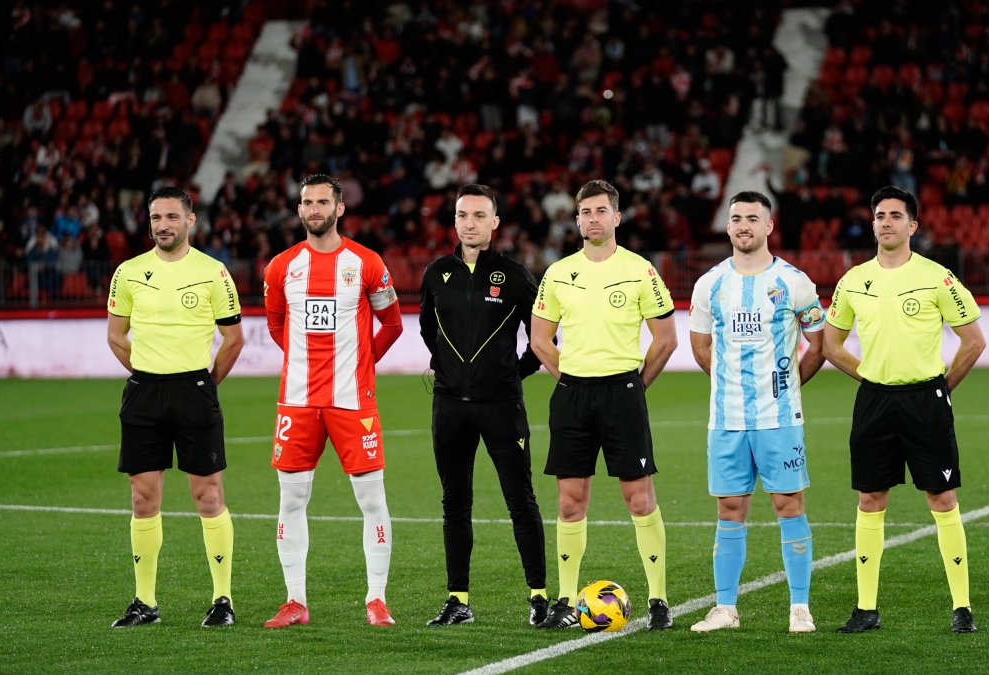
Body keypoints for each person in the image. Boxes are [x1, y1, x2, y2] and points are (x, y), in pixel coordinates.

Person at [823, 185, 986, 634]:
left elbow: (973, 342)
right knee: (870, 499)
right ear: (872, 223)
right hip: (874, 401)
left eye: (896, 215)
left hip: (926, 398)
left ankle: (962, 608)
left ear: (913, 225)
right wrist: (870, 376)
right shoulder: (853, 280)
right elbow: (831, 345)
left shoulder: (939, 277)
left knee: (942, 497)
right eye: (880, 215)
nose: (887, 222)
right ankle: (866, 609)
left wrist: (942, 389)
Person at [529, 179, 679, 630]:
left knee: (639, 498)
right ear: (576, 220)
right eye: (585, 212)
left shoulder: (641, 271)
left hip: (623, 394)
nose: (593, 218)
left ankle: (658, 600)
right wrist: (570, 378)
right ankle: (565, 600)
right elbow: (539, 339)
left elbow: (666, 339)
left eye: (601, 211)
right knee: (570, 503)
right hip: (573, 395)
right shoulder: (558, 273)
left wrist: (636, 386)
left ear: (617, 217)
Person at [261, 174, 404, 628]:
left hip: (352, 403)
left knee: (372, 502)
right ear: (299, 209)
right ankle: (295, 602)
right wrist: (308, 365)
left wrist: (362, 366)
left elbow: (393, 324)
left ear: (340, 208)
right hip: (298, 403)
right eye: (307, 202)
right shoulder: (280, 267)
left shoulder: (366, 263)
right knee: (291, 502)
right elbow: (277, 328)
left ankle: (376, 600)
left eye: (323, 202)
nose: (314, 209)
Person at [105, 186, 245, 628]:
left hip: (194, 391)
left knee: (208, 495)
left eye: (170, 217)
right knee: (142, 498)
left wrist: (204, 385)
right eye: (155, 218)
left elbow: (233, 338)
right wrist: (146, 373)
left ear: (190, 221)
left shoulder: (214, 272)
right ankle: (144, 602)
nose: (162, 225)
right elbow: (115, 335)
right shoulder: (128, 272)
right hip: (144, 394)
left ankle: (222, 599)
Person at [688, 191, 826, 634]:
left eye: (752, 218)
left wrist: (787, 385)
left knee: (789, 504)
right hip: (726, 419)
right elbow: (700, 346)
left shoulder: (793, 281)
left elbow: (817, 342)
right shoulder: (709, 284)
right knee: (729, 508)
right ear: (727, 227)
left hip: (779, 418)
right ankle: (725, 609)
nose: (743, 225)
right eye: (736, 219)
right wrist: (732, 384)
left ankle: (799, 607)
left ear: (769, 226)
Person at [418, 183, 548, 626]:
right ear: (454, 221)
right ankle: (458, 600)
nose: (468, 223)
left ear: (494, 223)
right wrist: (447, 369)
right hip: (450, 407)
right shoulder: (437, 274)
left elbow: (543, 338)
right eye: (461, 215)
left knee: (521, 500)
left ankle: (539, 597)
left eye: (478, 216)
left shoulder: (513, 275)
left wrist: (517, 372)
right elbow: (426, 331)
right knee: (455, 503)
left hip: (501, 406)